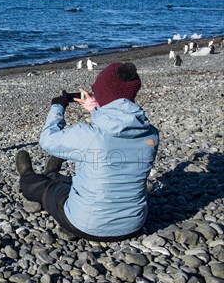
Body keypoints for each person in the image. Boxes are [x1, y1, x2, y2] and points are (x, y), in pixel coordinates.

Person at [17, 62, 159, 241]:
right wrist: (95, 108)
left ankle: (29, 176)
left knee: (48, 189)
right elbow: (117, 126)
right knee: (86, 180)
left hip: (86, 225)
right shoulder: (151, 135)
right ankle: (53, 173)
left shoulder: (90, 136)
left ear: (104, 94)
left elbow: (47, 140)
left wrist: (57, 107)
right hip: (134, 224)